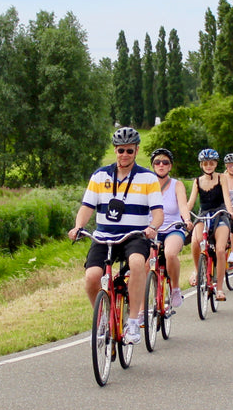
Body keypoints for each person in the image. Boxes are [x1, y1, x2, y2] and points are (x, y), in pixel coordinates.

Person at [68, 127, 163, 342]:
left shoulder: (148, 178)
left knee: (138, 263)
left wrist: (153, 228)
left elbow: (158, 213)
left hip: (134, 236)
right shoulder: (100, 175)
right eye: (121, 150)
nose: (124, 155)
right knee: (92, 278)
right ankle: (102, 318)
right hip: (103, 236)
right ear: (115, 150)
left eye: (129, 151)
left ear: (137, 150)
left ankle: (132, 322)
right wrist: (78, 227)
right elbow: (87, 207)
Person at [149, 147, 193, 310]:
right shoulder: (147, 184)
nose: (161, 165)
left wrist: (187, 219)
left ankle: (175, 288)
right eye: (157, 162)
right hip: (151, 229)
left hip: (172, 227)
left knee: (170, 253)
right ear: (153, 166)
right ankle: (142, 306)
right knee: (142, 262)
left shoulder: (177, 185)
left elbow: (182, 205)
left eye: (165, 162)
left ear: (170, 166)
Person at [190, 148, 233, 300]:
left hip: (219, 214)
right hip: (203, 214)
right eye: (205, 163)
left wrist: (230, 211)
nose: (208, 166)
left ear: (216, 164)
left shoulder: (222, 178)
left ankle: (220, 288)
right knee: (195, 241)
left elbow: (227, 198)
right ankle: (197, 271)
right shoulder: (197, 181)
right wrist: (184, 217)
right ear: (201, 165)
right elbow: (190, 203)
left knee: (221, 250)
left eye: (211, 163)